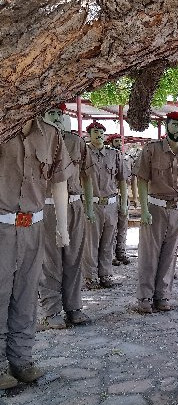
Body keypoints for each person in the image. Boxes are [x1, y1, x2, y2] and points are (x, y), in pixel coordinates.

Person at [0, 112, 72, 389]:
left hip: (33, 225)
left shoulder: (50, 135)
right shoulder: (5, 125)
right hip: (2, 226)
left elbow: (59, 181)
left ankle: (22, 359)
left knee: (27, 294)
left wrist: (62, 227)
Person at [135, 111, 178, 313]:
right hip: (155, 208)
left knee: (170, 254)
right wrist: (144, 209)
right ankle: (145, 297)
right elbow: (142, 179)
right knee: (149, 253)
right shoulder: (152, 150)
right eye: (175, 125)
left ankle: (162, 295)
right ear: (166, 126)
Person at [38, 107, 94, 329]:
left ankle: (74, 307)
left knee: (74, 257)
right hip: (49, 207)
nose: (57, 117)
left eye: (60, 114)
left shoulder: (76, 142)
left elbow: (87, 177)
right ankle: (52, 311)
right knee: (51, 260)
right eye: (51, 112)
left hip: (74, 205)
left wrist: (89, 207)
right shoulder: (38, 140)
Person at [83, 121, 128, 288]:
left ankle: (106, 275)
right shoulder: (84, 153)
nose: (99, 134)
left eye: (102, 132)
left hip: (111, 204)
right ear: (89, 134)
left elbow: (122, 179)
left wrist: (123, 204)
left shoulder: (113, 154)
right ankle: (90, 277)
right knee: (91, 242)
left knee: (109, 241)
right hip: (92, 202)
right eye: (95, 131)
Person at [105, 133, 131, 266]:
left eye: (120, 141)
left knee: (123, 227)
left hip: (123, 196)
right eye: (116, 141)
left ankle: (121, 252)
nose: (119, 144)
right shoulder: (107, 157)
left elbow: (130, 180)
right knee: (112, 228)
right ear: (110, 143)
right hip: (112, 197)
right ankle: (111, 255)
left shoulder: (126, 158)